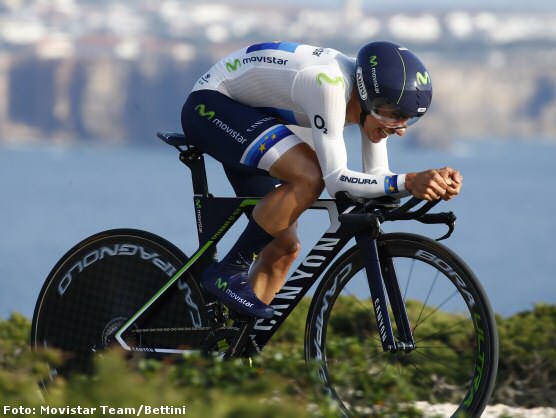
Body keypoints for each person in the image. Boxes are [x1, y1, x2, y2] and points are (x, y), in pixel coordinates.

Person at [181, 41, 462, 319]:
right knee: (309, 177)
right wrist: (410, 181)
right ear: (369, 99)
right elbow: (336, 181)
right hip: (212, 105)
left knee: (283, 248)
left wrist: (429, 184)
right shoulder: (328, 84)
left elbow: (378, 178)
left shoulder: (370, 106)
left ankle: (232, 344)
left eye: (407, 121)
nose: (399, 130)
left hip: (253, 115)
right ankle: (228, 271)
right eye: (395, 117)